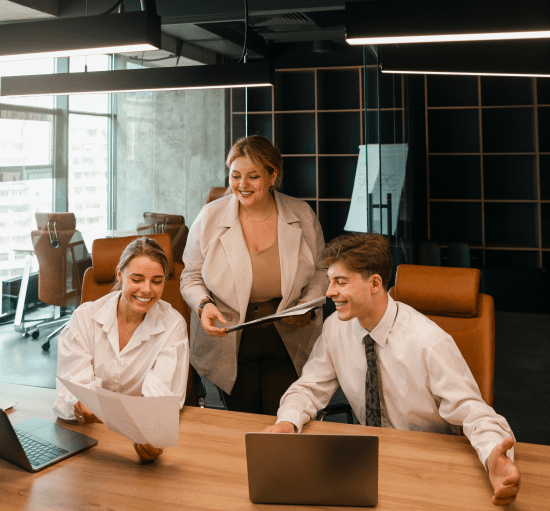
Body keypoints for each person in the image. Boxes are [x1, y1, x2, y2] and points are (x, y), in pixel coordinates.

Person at [263, 233, 521, 507]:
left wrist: (493, 455)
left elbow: (475, 412)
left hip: (428, 464)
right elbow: (309, 387)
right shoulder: (335, 328)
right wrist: (287, 422)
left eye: (340, 282)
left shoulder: (428, 342)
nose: (329, 292)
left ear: (374, 283)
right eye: (330, 281)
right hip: (367, 462)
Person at [181, 135, 327, 414]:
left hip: (288, 337)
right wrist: (203, 305)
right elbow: (190, 276)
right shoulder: (210, 216)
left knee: (284, 417)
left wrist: (306, 305)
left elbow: (322, 270)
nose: (242, 185)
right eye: (235, 176)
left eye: (253, 176)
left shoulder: (302, 213)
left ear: (273, 175)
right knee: (240, 425)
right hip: (230, 340)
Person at [54, 236, 189, 462]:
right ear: (119, 274)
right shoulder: (85, 318)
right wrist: (78, 405)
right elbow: (70, 390)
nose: (146, 290)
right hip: (87, 439)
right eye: (137, 279)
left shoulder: (173, 324)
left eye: (157, 281)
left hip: (136, 441)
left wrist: (151, 435)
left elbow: (161, 400)